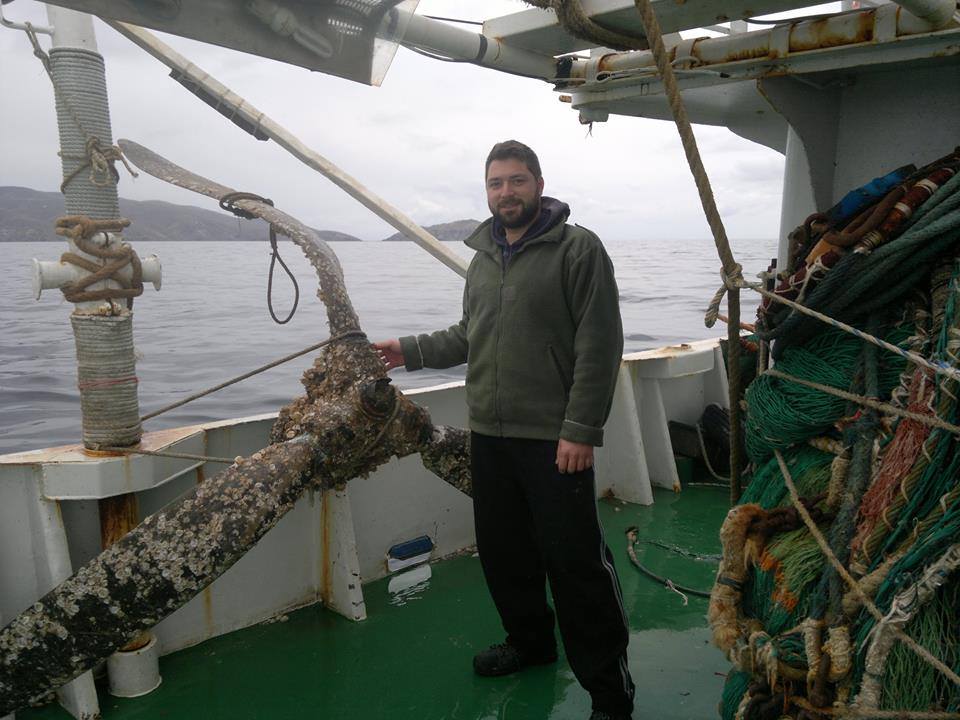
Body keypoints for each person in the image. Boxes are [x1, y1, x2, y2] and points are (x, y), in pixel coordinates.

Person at [375, 140, 634, 720]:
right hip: (490, 437)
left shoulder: (578, 249)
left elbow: (599, 345)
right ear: (487, 191)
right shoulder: (483, 258)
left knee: (576, 567)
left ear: (538, 184)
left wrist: (580, 429)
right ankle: (531, 644)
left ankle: (610, 694)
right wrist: (408, 350)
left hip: (554, 440)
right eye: (496, 183)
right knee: (505, 555)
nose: (506, 192)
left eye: (517, 180)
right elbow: (469, 335)